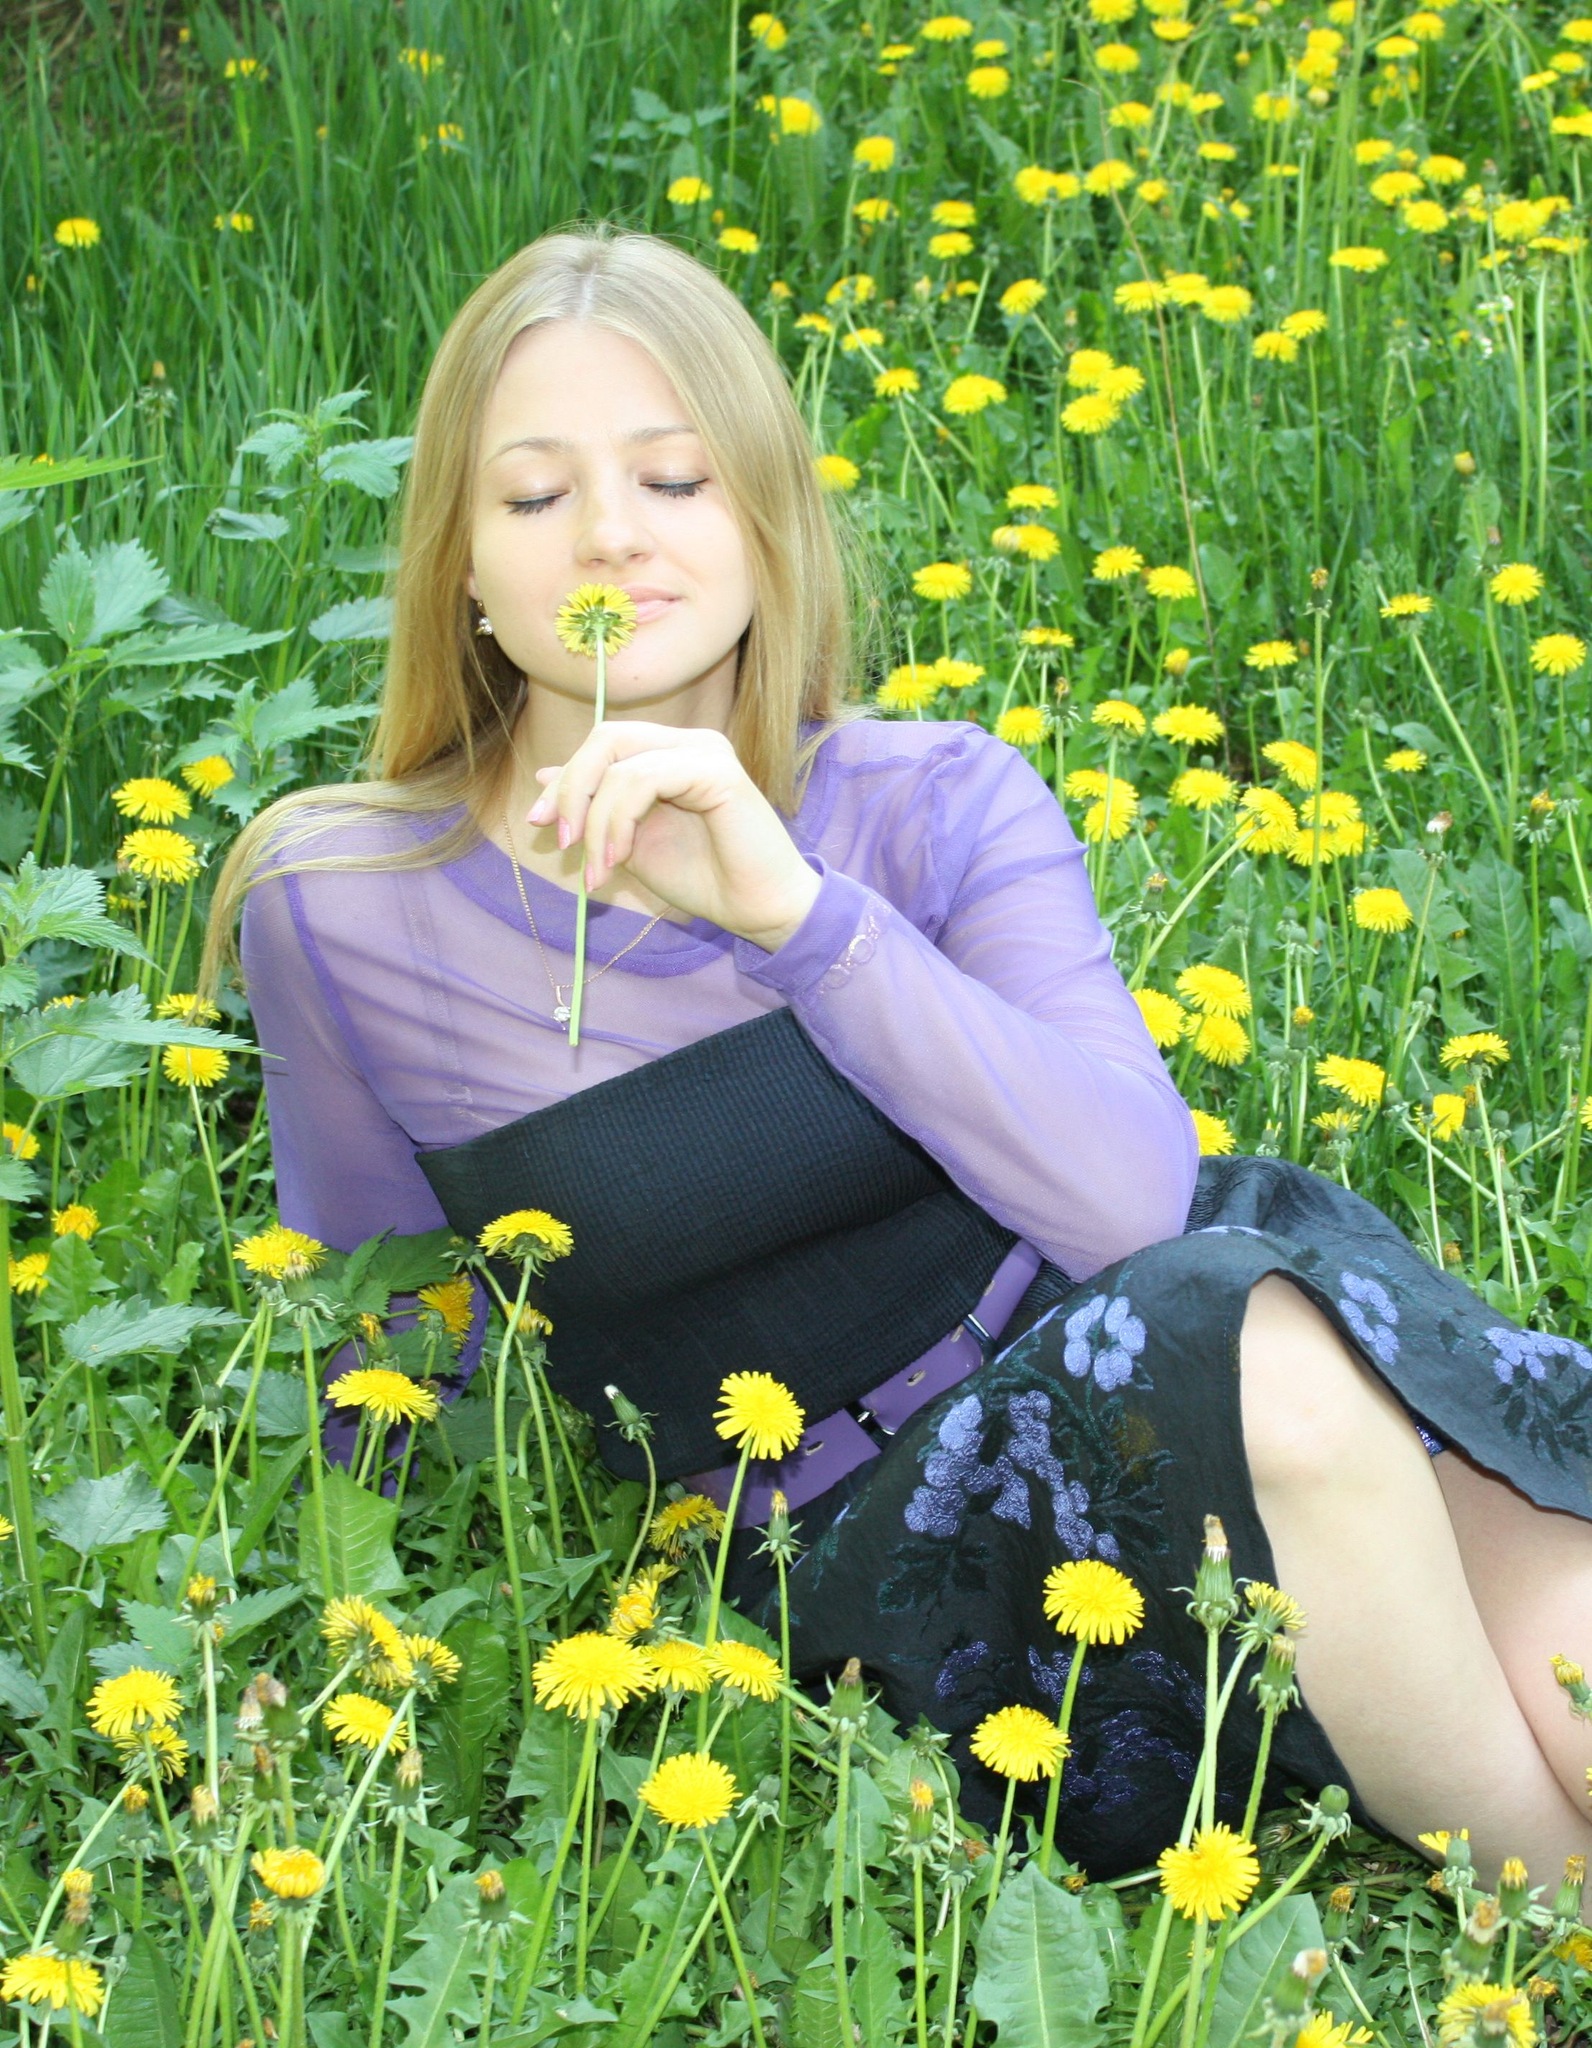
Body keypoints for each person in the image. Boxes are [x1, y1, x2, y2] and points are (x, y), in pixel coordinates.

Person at [205, 224, 1592, 1884]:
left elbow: (1134, 1211)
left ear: (766, 522)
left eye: (675, 479)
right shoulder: (346, 903)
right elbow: (376, 1328)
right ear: (462, 573)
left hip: (1215, 1321)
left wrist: (805, 922)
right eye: (535, 495)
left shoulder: (937, 799)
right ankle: (1549, 1923)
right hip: (890, 1531)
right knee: (1261, 1367)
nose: (611, 536)